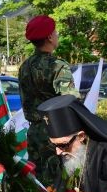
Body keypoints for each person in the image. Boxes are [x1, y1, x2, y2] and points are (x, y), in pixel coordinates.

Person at [18, 15, 78, 182]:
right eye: (55, 32)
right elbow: (70, 101)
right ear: (50, 37)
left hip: (34, 133)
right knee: (62, 183)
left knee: (39, 184)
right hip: (57, 133)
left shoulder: (25, 67)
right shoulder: (57, 65)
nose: (57, 35)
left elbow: (25, 100)